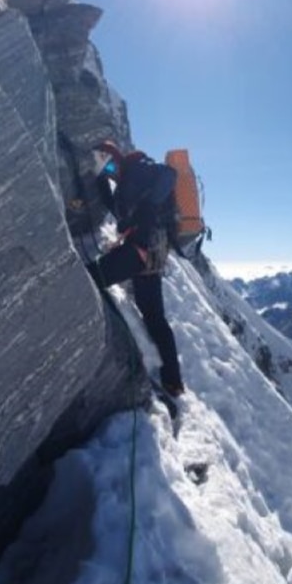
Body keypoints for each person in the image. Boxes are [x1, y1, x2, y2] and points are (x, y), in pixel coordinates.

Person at [85, 141, 185, 397]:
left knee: (90, 276)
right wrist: (101, 182)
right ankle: (173, 382)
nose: (108, 171)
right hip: (154, 256)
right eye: (104, 168)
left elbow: (167, 175)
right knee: (155, 319)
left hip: (141, 252)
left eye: (108, 165)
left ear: (116, 159)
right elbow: (123, 211)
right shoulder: (133, 177)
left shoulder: (135, 172)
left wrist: (147, 207)